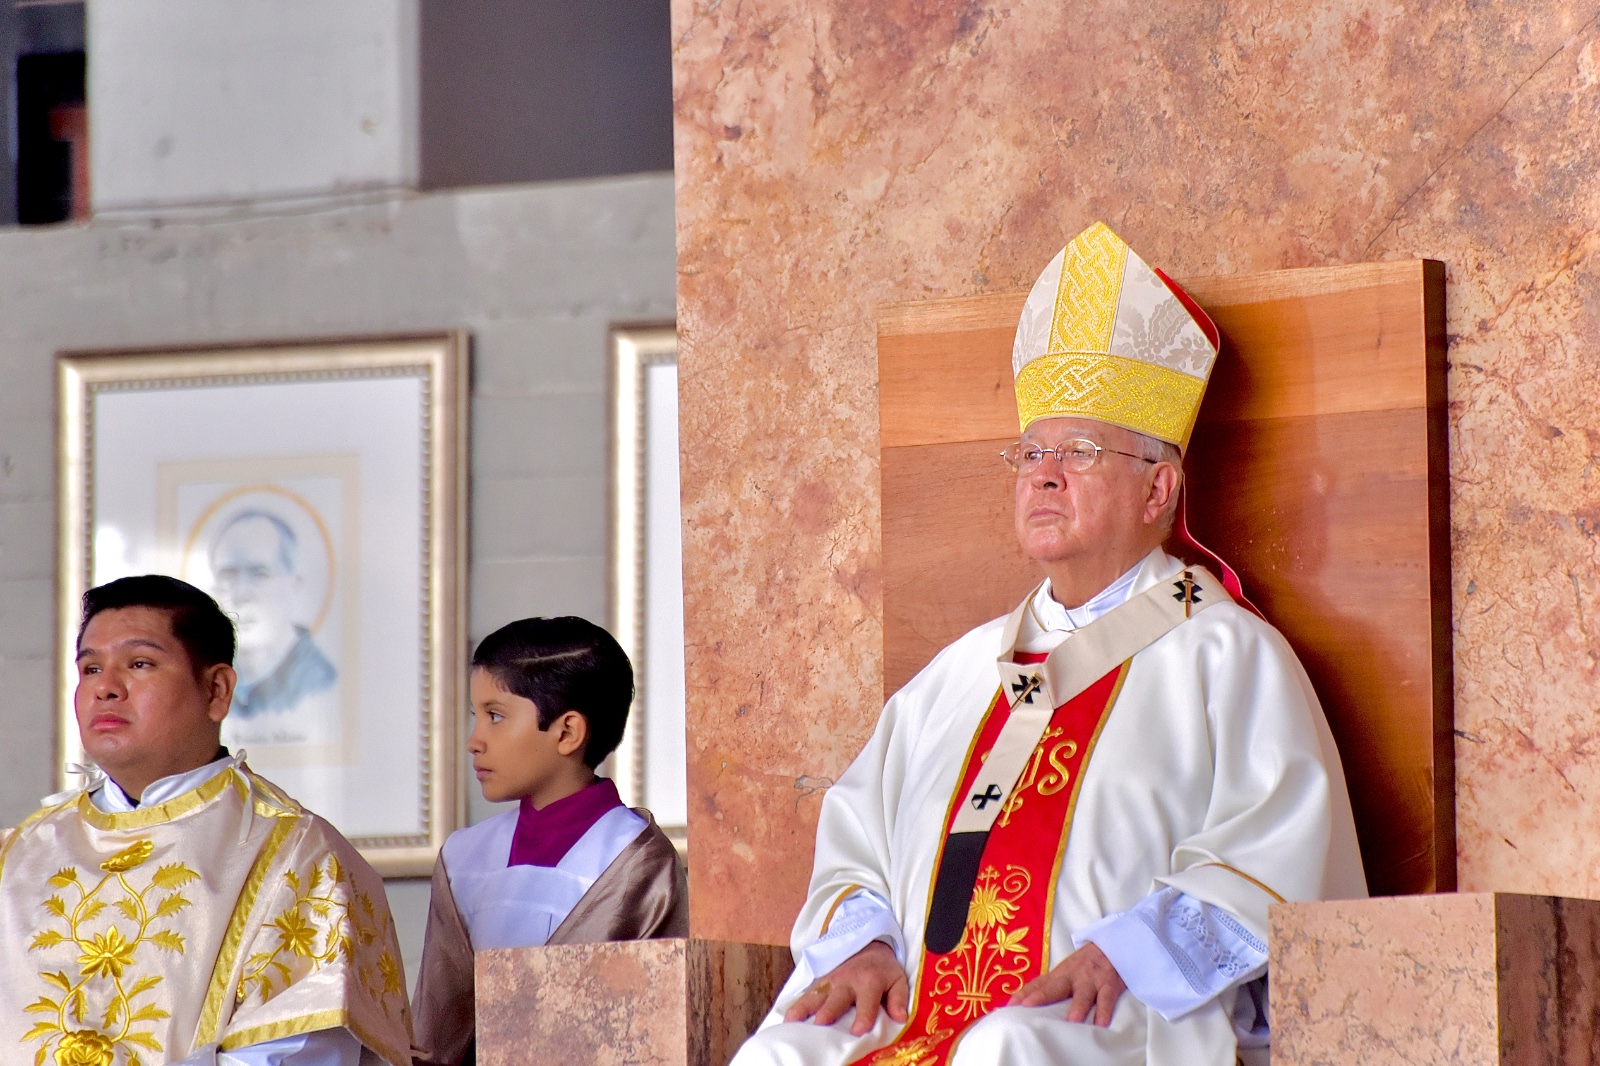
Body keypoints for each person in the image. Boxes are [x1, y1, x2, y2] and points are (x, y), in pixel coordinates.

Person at [732, 222, 1367, 1066]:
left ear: (1158, 490)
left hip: (1122, 1009)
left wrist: (1132, 953)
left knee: (1008, 1048)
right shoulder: (956, 676)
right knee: (778, 1055)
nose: (1042, 473)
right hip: (919, 1007)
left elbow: (1279, 854)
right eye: (1029, 452)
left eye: (1078, 451)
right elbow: (857, 842)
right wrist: (865, 945)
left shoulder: (1226, 655)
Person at [0, 574, 412, 1065]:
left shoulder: (297, 854)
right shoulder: (16, 855)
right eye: (90, 669)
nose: (106, 688)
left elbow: (294, 1053)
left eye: (139, 663)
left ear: (216, 690)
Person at [410, 617, 688, 1066]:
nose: (473, 741)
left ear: (567, 732)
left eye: (495, 716)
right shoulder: (464, 859)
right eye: (475, 716)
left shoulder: (634, 859)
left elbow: (661, 1034)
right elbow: (437, 1033)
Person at [210, 508, 339, 743]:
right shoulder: (207, 684)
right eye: (228, 575)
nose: (240, 595)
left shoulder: (321, 681)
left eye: (259, 574)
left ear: (294, 585)